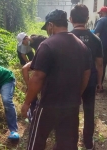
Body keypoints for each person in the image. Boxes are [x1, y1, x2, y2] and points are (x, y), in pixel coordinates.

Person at [21, 9, 91, 150]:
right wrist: (77, 94)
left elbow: (37, 78)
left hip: (49, 104)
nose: (47, 30)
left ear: (51, 25)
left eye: (47, 27)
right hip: (72, 105)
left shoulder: (47, 45)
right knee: (67, 144)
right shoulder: (82, 46)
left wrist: (27, 102)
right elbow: (86, 75)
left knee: (37, 141)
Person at [70, 4, 103, 150]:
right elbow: (100, 64)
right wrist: (99, 82)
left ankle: (71, 141)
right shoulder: (96, 40)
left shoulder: (66, 39)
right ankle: (88, 143)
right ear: (88, 18)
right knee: (89, 111)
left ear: (70, 19)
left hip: (71, 82)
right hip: (90, 82)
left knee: (71, 111)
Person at [22, 35, 47, 121]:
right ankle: (29, 87)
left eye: (23, 42)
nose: (24, 44)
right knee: (25, 68)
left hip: (46, 60)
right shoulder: (32, 43)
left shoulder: (38, 40)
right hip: (42, 59)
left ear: (26, 38)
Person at [94, 6, 107, 84]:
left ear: (102, 13)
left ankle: (99, 85)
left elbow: (97, 34)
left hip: (103, 47)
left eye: (100, 13)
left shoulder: (101, 21)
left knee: (101, 65)